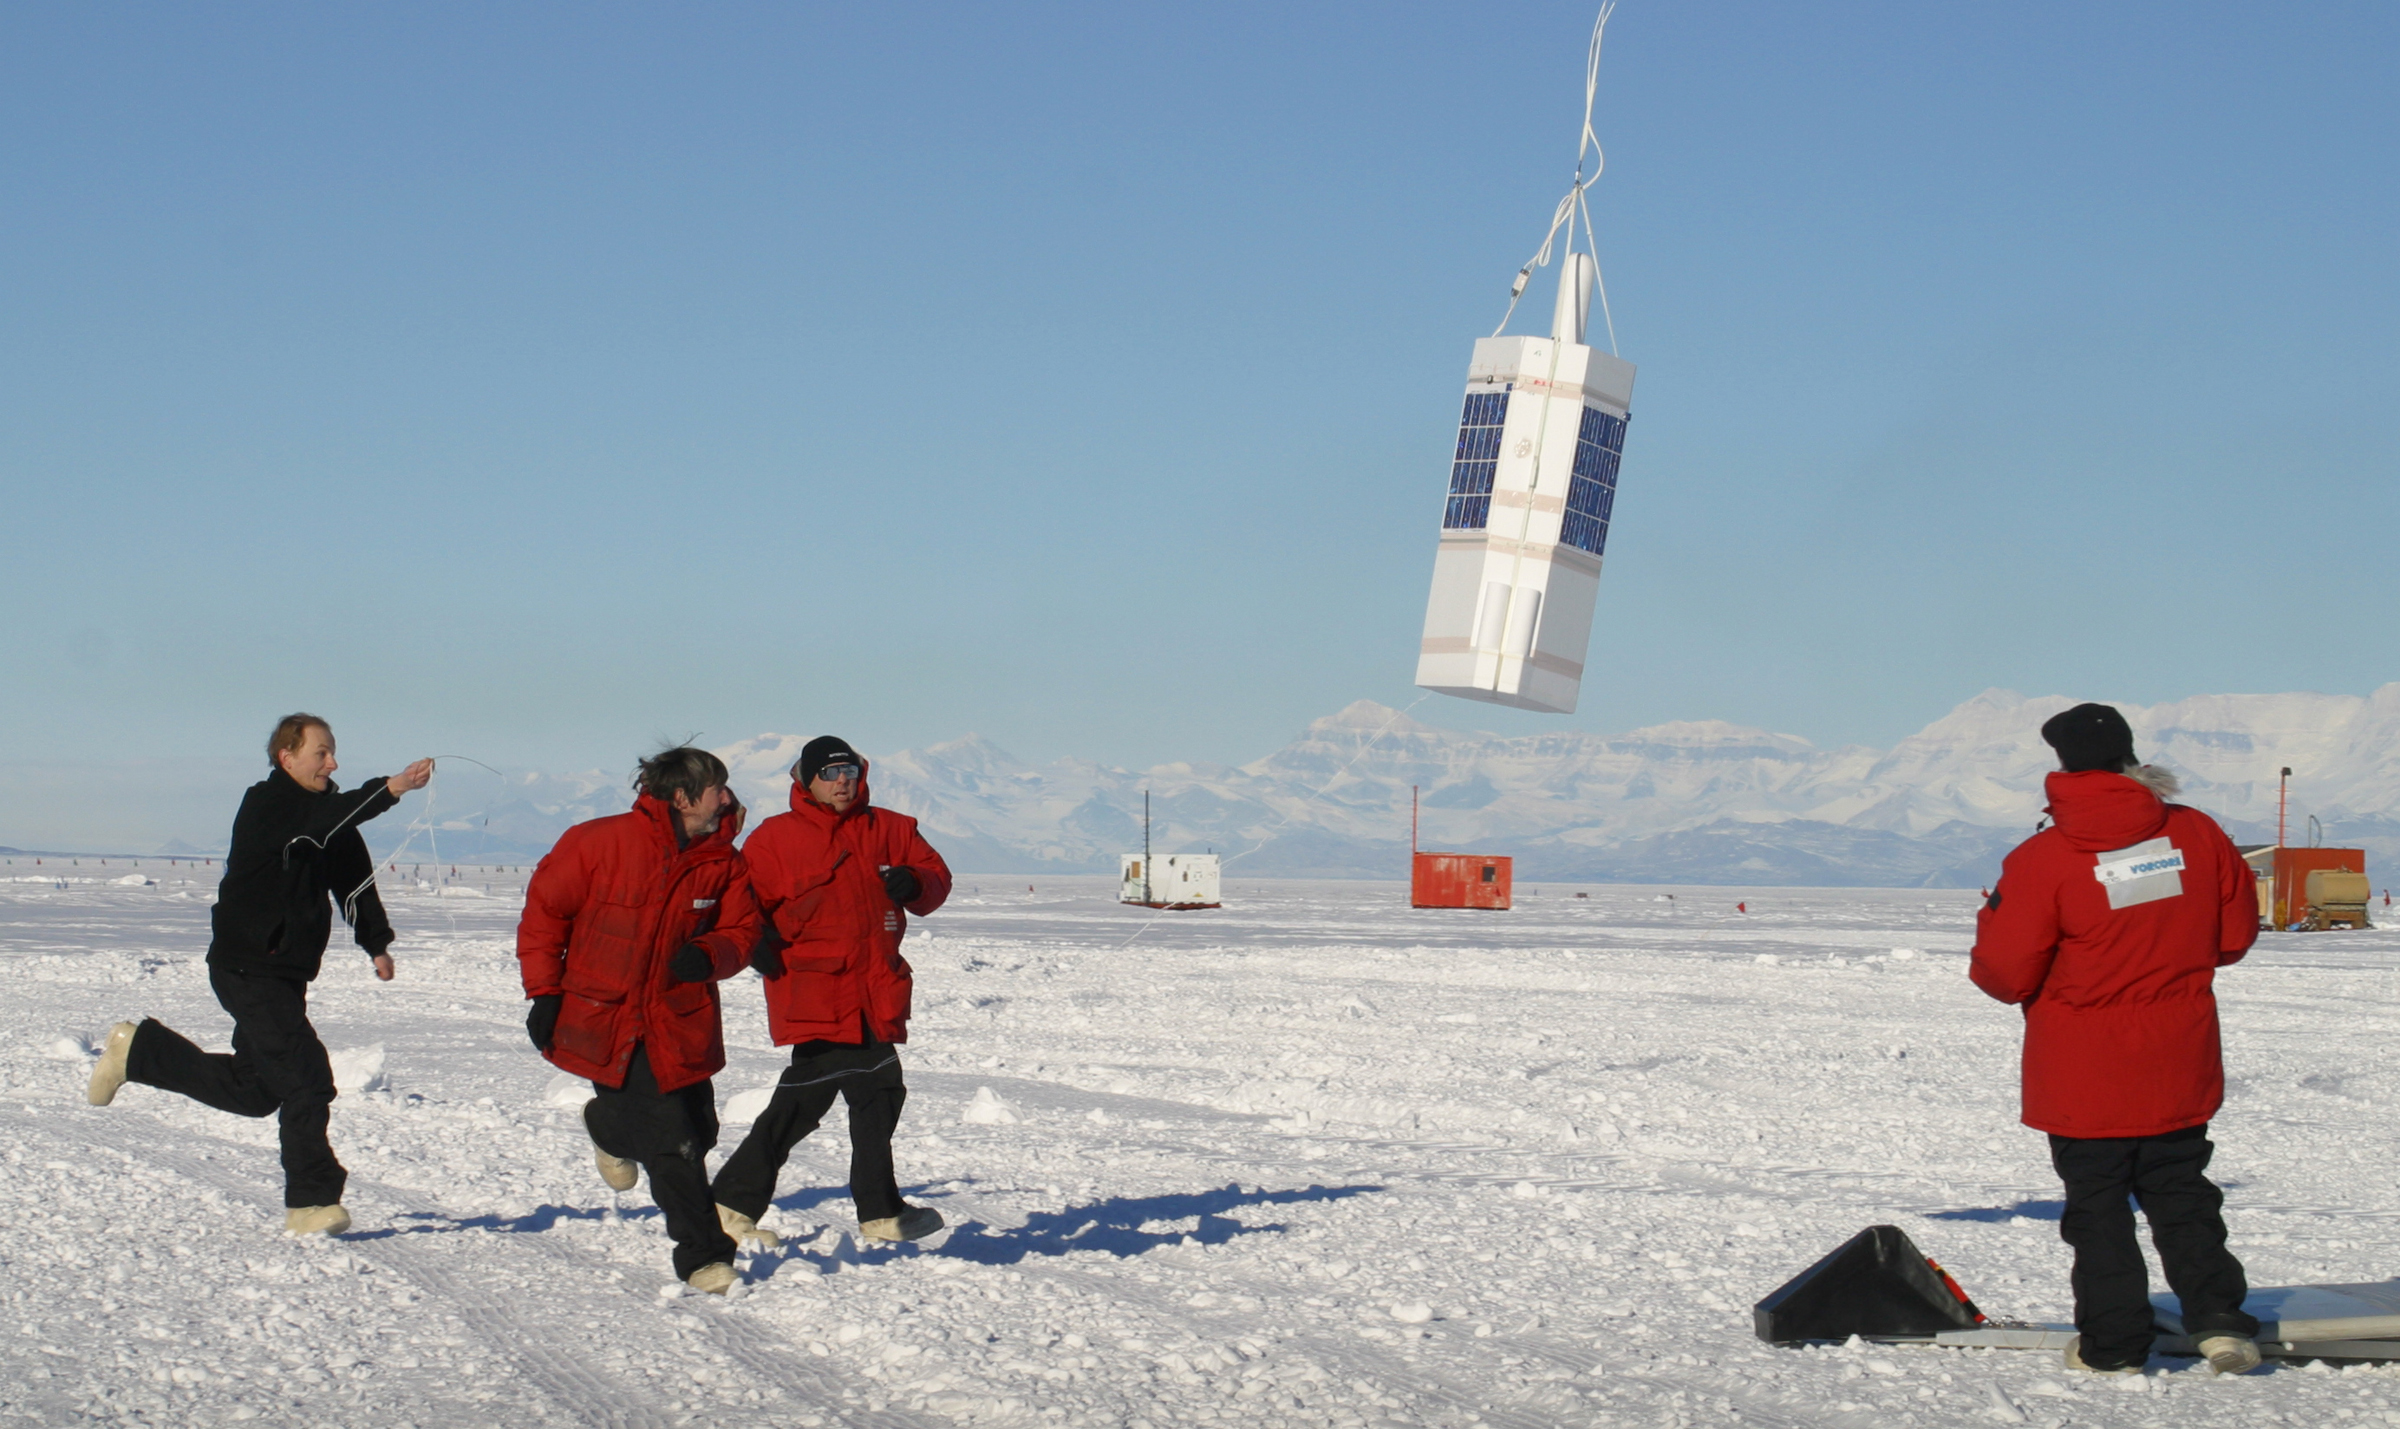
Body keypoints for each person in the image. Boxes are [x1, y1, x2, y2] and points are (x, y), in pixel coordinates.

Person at [1970, 703, 2263, 1376]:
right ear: (2132, 757)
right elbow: (2234, 935)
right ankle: (2221, 1324)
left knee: (2098, 1209)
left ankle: (2115, 1345)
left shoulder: (2043, 858)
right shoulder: (2197, 834)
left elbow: (2005, 973)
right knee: (2182, 1191)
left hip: (2082, 1070)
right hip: (2177, 1055)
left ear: (2061, 765)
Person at [85, 714, 433, 1235]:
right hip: (247, 966)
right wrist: (392, 788)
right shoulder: (269, 804)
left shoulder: (328, 816)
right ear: (286, 758)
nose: (332, 762)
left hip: (284, 973)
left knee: (255, 1091)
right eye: (321, 753)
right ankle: (311, 1203)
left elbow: (354, 885)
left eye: (333, 752)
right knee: (308, 1080)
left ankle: (138, 1053)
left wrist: (375, 943)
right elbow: (321, 821)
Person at [517, 746, 759, 1293]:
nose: (727, 797)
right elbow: (544, 915)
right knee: (673, 1140)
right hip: (606, 1019)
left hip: (679, 1019)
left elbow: (743, 932)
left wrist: (710, 953)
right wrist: (545, 993)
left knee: (700, 1130)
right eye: (717, 787)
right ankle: (704, 1256)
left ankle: (607, 1126)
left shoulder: (724, 861)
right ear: (682, 796)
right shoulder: (597, 843)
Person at [711, 735, 952, 1249]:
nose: (842, 782)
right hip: (813, 989)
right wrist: (755, 945)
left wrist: (914, 882)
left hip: (874, 988)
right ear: (806, 781)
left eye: (849, 772)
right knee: (837, 1095)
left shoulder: (890, 828)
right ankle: (738, 1203)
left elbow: (936, 878)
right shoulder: (775, 840)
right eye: (830, 774)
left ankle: (869, 1209)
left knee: (871, 1094)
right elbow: (740, 903)